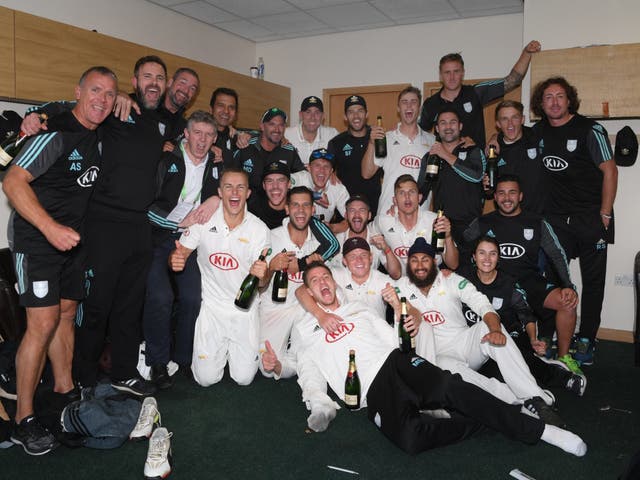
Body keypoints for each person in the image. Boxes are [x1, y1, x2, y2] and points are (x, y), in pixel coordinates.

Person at [269, 261, 587, 457]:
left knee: (449, 386)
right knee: (410, 439)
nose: (323, 283)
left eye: (326, 278)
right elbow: (308, 371)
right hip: (371, 392)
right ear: (308, 292)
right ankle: (486, 421)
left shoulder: (359, 309)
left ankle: (542, 431)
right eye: (315, 282)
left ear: (335, 283)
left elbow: (395, 342)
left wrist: (405, 323)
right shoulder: (307, 329)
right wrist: (315, 400)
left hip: (397, 363)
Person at [3, 66, 117, 455]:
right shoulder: (55, 132)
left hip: (71, 242)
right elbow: (13, 181)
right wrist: (50, 229)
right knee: (43, 322)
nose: (101, 100)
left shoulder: (95, 136)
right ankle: (24, 419)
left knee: (67, 312)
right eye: (95, 91)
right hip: (36, 241)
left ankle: (65, 388)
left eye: (109, 94)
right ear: (78, 92)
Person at [397, 238, 562, 426]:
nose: (420, 265)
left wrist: (494, 330)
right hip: (438, 357)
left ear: (435, 262)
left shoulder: (452, 280)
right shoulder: (399, 286)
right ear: (408, 264)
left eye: (425, 259)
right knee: (469, 382)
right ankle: (518, 400)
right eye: (414, 260)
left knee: (488, 327)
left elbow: (482, 304)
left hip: (464, 343)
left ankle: (536, 397)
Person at [531, 76, 618, 366]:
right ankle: (559, 336)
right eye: (548, 97)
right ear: (540, 104)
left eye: (560, 96)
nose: (554, 102)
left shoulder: (590, 130)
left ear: (569, 100)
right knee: (556, 281)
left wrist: (605, 213)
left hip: (592, 218)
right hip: (556, 221)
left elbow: (610, 170)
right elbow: (511, 139)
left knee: (593, 283)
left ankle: (588, 339)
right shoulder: (538, 132)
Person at [463, 176, 581, 373]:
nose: (506, 198)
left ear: (521, 196)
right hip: (496, 285)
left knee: (567, 301)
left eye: (512, 192)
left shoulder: (536, 222)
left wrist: (568, 285)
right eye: (501, 193)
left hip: (529, 282)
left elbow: (557, 254)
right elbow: (463, 251)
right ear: (495, 196)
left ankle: (564, 357)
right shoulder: (483, 222)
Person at [142, 111, 223, 389]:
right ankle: (158, 363)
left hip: (192, 240)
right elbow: (145, 206)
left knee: (191, 297)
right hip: (158, 238)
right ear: (186, 134)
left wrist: (216, 198)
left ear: (215, 138)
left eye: (208, 135)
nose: (202, 140)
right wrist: (175, 220)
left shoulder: (217, 164)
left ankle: (184, 359)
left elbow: (236, 190)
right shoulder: (165, 160)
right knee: (161, 297)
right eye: (197, 133)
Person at [169, 168, 270, 386]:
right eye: (228, 187)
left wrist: (263, 276)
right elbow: (180, 253)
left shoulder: (259, 229)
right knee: (205, 380)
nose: (234, 192)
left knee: (243, 379)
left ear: (248, 193)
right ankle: (216, 354)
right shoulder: (203, 221)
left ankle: (232, 353)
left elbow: (262, 282)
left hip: (244, 310)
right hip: (212, 309)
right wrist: (175, 260)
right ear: (220, 192)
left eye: (240, 187)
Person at [457, 237, 587, 397]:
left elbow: (526, 315)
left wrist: (533, 339)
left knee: (511, 356)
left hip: (512, 336)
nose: (487, 259)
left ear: (498, 258)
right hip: (478, 341)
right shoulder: (461, 278)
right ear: (474, 256)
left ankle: (559, 378)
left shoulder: (508, 283)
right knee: (489, 371)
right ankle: (532, 388)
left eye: (492, 254)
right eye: (482, 253)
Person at [258, 186, 328, 379]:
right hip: (275, 307)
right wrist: (271, 267)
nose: (301, 210)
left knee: (313, 357)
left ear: (313, 210)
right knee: (266, 369)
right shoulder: (270, 237)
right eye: (295, 205)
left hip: (306, 308)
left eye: (306, 205)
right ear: (287, 209)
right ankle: (285, 363)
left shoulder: (320, 243)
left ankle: (300, 359)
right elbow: (259, 285)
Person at [419, 41, 541, 148]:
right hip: (443, 166)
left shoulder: (475, 92)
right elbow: (420, 135)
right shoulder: (430, 104)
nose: (452, 77)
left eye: (456, 71)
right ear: (440, 75)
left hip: (475, 165)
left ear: (463, 73)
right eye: (447, 72)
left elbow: (512, 81)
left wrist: (526, 53)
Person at [362, 86, 436, 215]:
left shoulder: (433, 141)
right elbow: (366, 173)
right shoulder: (386, 139)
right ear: (398, 108)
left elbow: (435, 183)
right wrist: (371, 143)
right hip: (389, 214)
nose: (409, 106)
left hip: (420, 216)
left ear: (419, 108)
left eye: (413, 102)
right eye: (404, 102)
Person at [376, 175, 458, 274]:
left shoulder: (435, 221)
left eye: (412, 192)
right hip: (399, 284)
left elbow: (453, 264)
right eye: (402, 193)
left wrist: (448, 237)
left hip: (430, 282)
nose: (407, 197)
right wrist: (385, 260)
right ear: (395, 200)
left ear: (419, 198)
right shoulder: (383, 221)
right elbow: (365, 233)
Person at [428, 107, 484, 248]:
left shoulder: (473, 150)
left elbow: (477, 176)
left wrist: (445, 155)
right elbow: (423, 188)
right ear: (437, 128)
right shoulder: (430, 156)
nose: (448, 127)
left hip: (470, 227)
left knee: (470, 269)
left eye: (452, 122)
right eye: (443, 123)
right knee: (443, 269)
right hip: (442, 225)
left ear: (460, 126)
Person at [327, 95, 383, 216]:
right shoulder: (336, 143)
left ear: (367, 114)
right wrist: (330, 173)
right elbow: (326, 170)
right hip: (345, 211)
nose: (356, 116)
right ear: (345, 116)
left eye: (360, 111)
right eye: (351, 112)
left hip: (375, 209)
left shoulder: (378, 138)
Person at [487, 100, 545, 214]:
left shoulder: (536, 137)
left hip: (539, 216)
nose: (510, 124)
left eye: (515, 117)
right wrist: (487, 187)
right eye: (504, 119)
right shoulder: (492, 151)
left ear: (522, 120)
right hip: (509, 219)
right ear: (498, 124)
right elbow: (490, 191)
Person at [234, 107, 306, 198]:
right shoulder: (245, 146)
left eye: (281, 125)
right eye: (272, 124)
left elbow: (304, 176)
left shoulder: (289, 151)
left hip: (278, 207)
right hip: (247, 207)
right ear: (262, 126)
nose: (277, 129)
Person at [329, 194, 401, 280]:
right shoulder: (335, 241)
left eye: (362, 210)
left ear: (369, 215)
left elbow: (396, 274)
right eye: (352, 210)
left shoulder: (377, 241)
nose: (357, 215)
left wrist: (386, 249)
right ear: (346, 215)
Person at [292, 148, 350, 232]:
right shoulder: (299, 178)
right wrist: (313, 195)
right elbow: (278, 186)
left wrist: (332, 228)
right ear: (308, 167)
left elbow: (353, 218)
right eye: (317, 165)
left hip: (322, 234)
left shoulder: (338, 188)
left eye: (326, 166)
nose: (321, 170)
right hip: (294, 231)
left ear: (331, 171)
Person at [284, 96, 338, 166]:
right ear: (300, 115)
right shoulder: (286, 134)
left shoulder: (332, 134)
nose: (312, 117)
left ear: (323, 116)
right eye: (308, 112)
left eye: (317, 112)